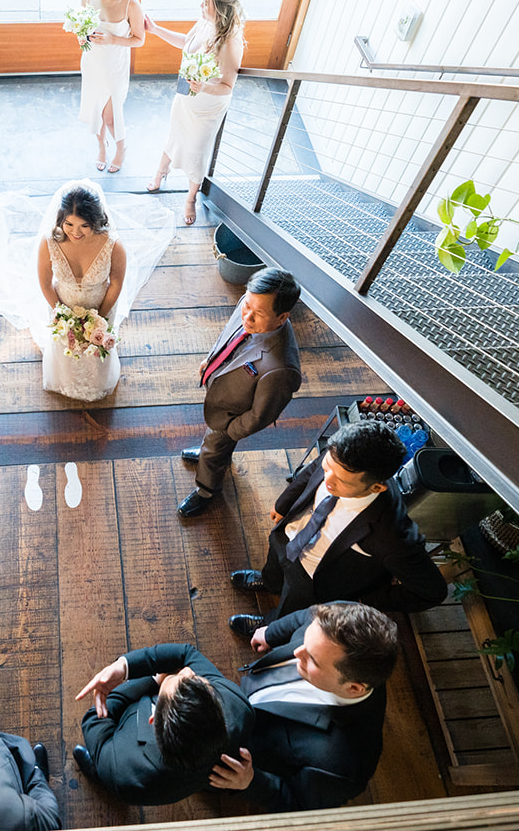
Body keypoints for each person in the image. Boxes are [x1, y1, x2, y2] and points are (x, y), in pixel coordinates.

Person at [228, 419, 447, 637]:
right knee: (274, 561)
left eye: (341, 481)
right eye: (328, 467)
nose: (327, 480)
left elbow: (432, 592)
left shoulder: (392, 536)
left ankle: (269, 627)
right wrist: (284, 503)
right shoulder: (339, 456)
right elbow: (313, 468)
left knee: (291, 607)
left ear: (377, 487)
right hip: (290, 534)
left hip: (313, 578)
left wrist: (365, 601)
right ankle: (270, 582)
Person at [0, 180, 175, 403]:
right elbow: (45, 283)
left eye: (84, 225)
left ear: (95, 221)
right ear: (60, 220)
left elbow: (115, 284)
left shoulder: (114, 245)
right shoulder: (49, 242)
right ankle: (64, 381)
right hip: (61, 305)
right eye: (69, 224)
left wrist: (100, 319)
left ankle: (97, 382)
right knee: (64, 346)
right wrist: (61, 314)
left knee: (96, 353)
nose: (76, 232)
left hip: (100, 305)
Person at [212, 601, 397, 812]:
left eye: (313, 660)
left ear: (354, 688)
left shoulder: (343, 765)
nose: (296, 652)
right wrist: (271, 634)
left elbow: (298, 804)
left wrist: (251, 782)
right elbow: (305, 617)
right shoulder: (345, 617)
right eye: (307, 639)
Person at [177, 268, 303, 518]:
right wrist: (211, 358)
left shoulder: (281, 368)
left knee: (215, 445)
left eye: (258, 313)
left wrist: (229, 431)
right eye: (247, 304)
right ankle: (213, 453)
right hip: (223, 394)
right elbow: (230, 334)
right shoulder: (250, 305)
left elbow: (260, 415)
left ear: (282, 317)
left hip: (233, 416)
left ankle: (206, 489)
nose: (247, 316)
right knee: (214, 445)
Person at [72, 642, 253, 806]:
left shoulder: (124, 769)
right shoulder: (236, 704)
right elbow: (186, 653)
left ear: (152, 720)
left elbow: (93, 720)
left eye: (175, 678)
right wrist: (125, 665)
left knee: (104, 766)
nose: (187, 670)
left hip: (114, 764)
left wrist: (152, 680)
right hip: (196, 779)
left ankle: (99, 772)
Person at [145, 0, 246, 226]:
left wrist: (203, 88)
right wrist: (155, 30)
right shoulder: (204, 22)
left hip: (206, 106)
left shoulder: (231, 42)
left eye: (207, 3)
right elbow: (185, 42)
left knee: (196, 151)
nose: (202, 6)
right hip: (185, 94)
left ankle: (190, 197)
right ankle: (161, 171)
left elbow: (227, 87)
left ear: (221, 9)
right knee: (175, 135)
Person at [75, 0, 145, 173]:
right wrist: (82, 37)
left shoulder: (130, 4)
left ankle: (121, 148)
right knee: (96, 111)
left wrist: (112, 39)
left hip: (114, 66)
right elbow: (81, 26)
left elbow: (138, 39)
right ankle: (101, 148)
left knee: (111, 117)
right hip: (92, 63)